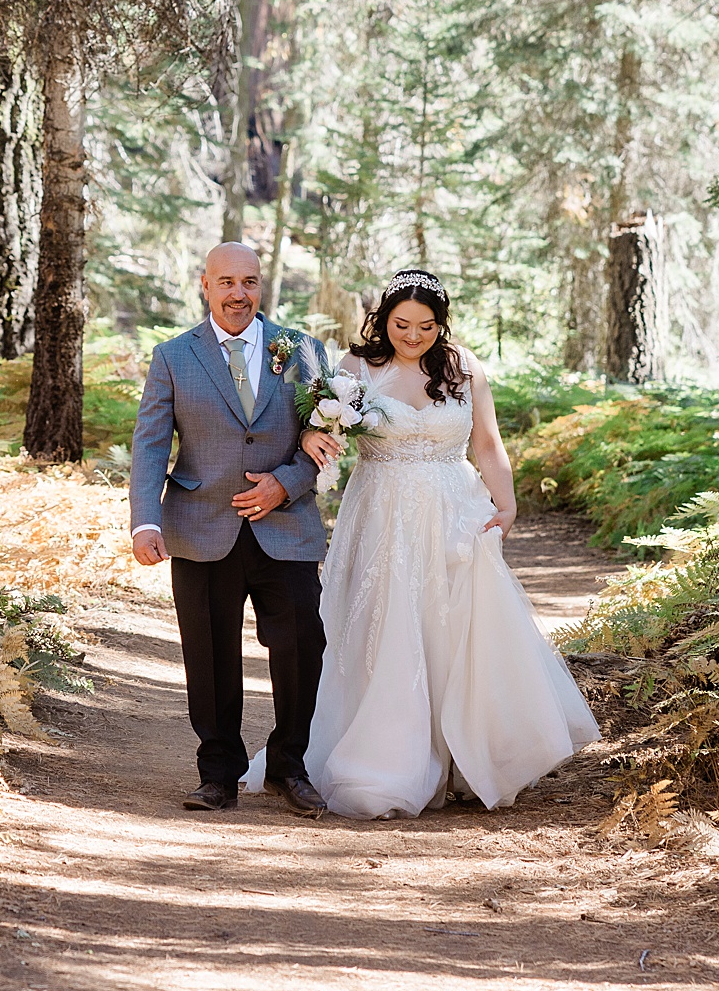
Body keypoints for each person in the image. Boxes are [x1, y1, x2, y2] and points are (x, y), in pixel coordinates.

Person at [258, 268, 598, 818]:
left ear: (442, 324)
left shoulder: (463, 369)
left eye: (426, 326)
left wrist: (505, 505)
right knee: (386, 624)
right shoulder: (354, 370)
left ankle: (465, 757)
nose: (413, 336)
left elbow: (487, 443)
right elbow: (315, 430)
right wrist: (312, 434)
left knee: (456, 627)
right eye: (401, 324)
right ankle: (390, 757)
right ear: (383, 318)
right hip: (380, 512)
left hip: (454, 509)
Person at [129, 243, 332, 816]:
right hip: (200, 525)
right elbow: (149, 446)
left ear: (261, 285)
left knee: (301, 646)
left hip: (285, 525)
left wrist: (283, 484)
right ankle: (218, 771)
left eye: (249, 282)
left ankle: (289, 766)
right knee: (210, 653)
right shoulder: (173, 356)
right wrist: (145, 521)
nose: (238, 294)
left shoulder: (303, 352)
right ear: (205, 285)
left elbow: (323, 441)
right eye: (226, 282)